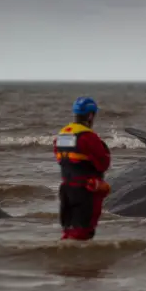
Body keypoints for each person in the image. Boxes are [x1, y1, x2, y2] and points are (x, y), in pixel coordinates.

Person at [53, 96, 111, 240]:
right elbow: (103, 163)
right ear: (91, 115)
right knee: (83, 232)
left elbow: (61, 159)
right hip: (84, 191)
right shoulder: (89, 137)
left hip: (66, 189)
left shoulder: (62, 134)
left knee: (68, 231)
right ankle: (81, 262)